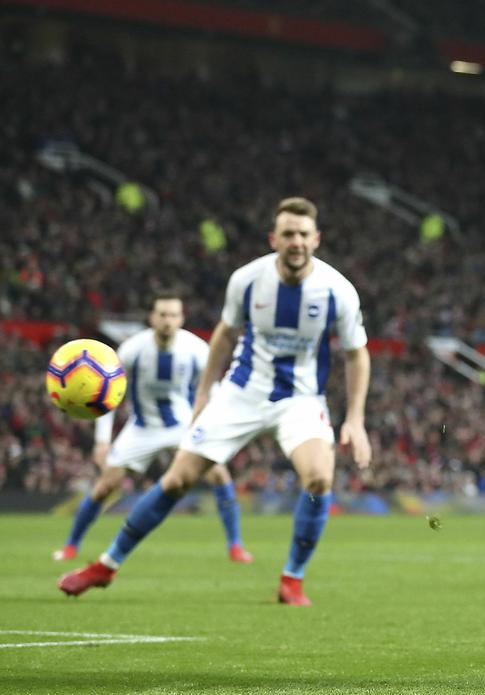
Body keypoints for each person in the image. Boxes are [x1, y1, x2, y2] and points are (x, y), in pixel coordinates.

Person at [58, 197, 372, 606]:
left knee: (318, 478)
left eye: (303, 234)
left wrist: (356, 418)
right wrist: (205, 393)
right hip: (241, 391)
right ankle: (106, 565)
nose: (296, 242)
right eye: (288, 234)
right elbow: (224, 335)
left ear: (316, 238)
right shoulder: (247, 280)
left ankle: (292, 579)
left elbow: (356, 353)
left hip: (299, 397)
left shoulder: (338, 291)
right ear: (273, 238)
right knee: (177, 480)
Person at [53, 295, 252, 564]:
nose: (167, 321)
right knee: (104, 486)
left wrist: (210, 426)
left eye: (173, 315)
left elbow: (211, 388)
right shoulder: (132, 349)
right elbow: (107, 395)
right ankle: (71, 546)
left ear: (181, 319)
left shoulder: (196, 349)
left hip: (182, 424)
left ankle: (236, 546)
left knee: (219, 474)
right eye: (162, 315)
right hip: (142, 428)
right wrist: (102, 441)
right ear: (152, 317)